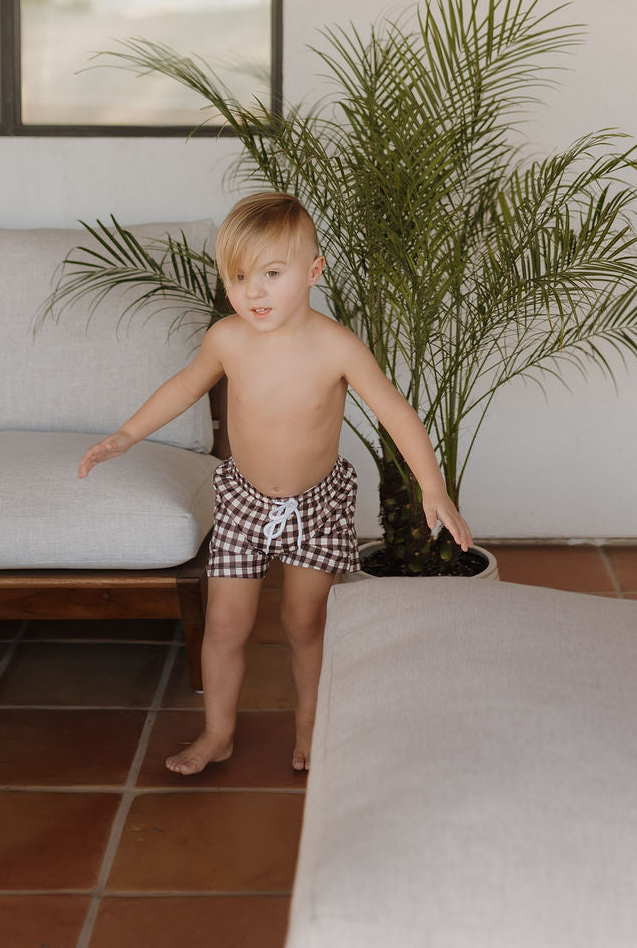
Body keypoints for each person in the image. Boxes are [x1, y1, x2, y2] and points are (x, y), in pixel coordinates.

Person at [77, 190, 472, 776]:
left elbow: (395, 411)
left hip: (318, 505)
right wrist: (128, 433)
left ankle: (310, 729)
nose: (253, 291)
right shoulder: (227, 339)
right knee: (228, 623)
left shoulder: (335, 345)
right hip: (243, 500)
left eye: (271, 273)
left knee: (302, 622)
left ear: (313, 272)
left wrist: (433, 488)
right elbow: (185, 387)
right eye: (238, 277)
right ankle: (219, 733)